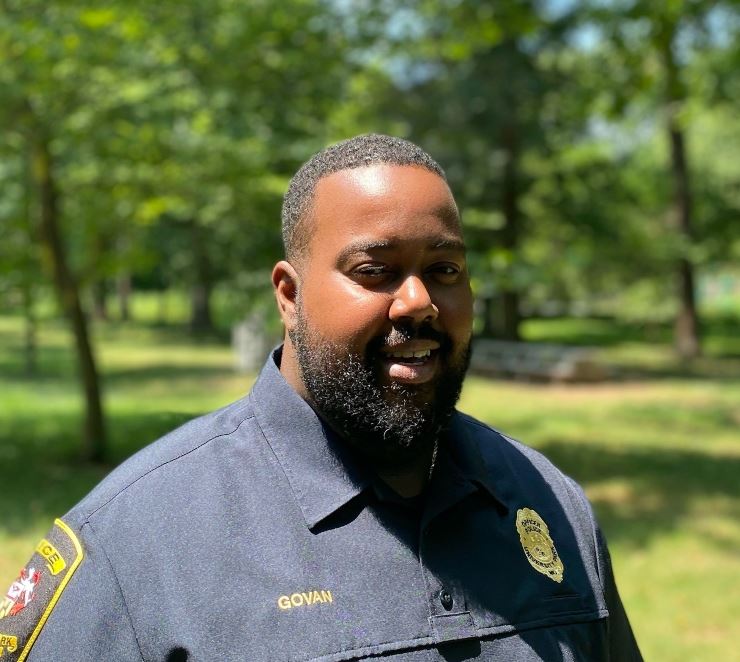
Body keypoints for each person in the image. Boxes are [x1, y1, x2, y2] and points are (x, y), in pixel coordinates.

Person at [2, 134, 642, 661]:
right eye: (375, 271)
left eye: (444, 270)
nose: (418, 301)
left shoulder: (550, 502)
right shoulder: (135, 539)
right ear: (289, 295)